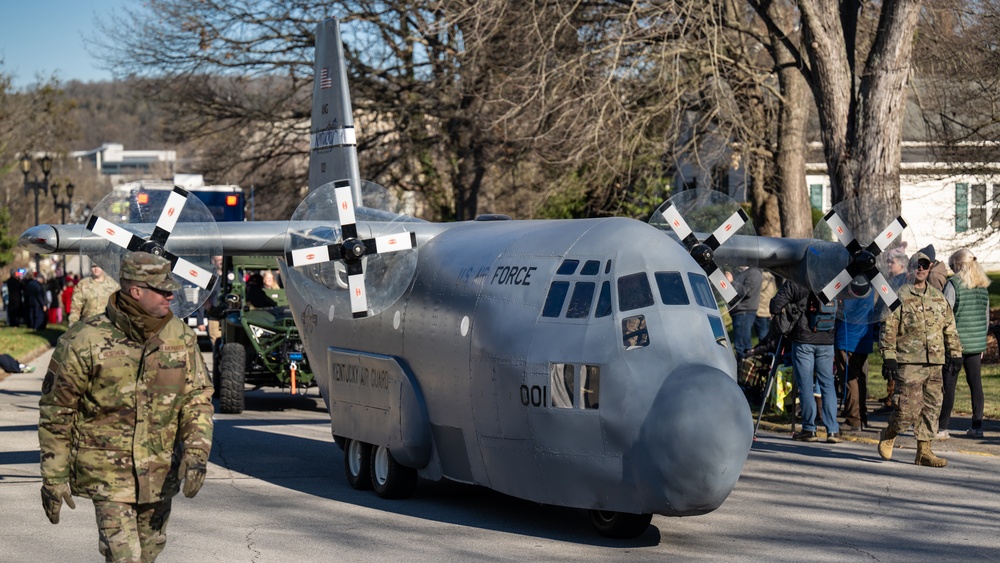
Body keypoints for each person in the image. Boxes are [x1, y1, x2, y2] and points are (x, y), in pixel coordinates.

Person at [38, 251, 214, 561]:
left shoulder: (181, 338)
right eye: (162, 289)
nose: (170, 295)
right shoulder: (84, 340)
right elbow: (57, 411)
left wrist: (196, 453)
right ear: (136, 291)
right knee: (124, 557)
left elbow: (196, 399)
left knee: (149, 552)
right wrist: (54, 476)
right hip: (107, 474)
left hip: (160, 472)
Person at [877, 251, 962, 467]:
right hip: (909, 362)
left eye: (925, 265)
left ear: (930, 266)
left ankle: (924, 451)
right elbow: (888, 327)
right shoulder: (898, 296)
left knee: (932, 407)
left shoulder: (938, 297)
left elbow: (949, 327)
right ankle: (889, 432)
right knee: (907, 408)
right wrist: (888, 356)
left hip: (935, 362)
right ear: (911, 267)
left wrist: (956, 353)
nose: (921, 268)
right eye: (917, 265)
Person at [770, 280, 841, 443]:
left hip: (803, 341)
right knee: (828, 384)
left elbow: (775, 306)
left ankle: (809, 428)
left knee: (806, 385)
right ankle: (833, 430)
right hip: (827, 339)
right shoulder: (832, 279)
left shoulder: (796, 281)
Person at [937, 248, 990, 439]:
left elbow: (945, 312)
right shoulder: (982, 286)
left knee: (949, 384)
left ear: (958, 265)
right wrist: (981, 342)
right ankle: (977, 426)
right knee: (976, 384)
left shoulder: (954, 285)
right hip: (976, 344)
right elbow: (986, 317)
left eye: (952, 265)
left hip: (955, 344)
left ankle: (942, 427)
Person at [835, 286, 876, 431]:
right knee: (860, 378)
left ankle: (853, 418)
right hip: (863, 338)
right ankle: (861, 415)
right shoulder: (869, 287)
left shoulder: (850, 287)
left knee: (850, 378)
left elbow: (841, 308)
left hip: (847, 338)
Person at [730, 266, 763, 359]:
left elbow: (746, 292)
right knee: (740, 345)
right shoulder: (742, 272)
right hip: (739, 312)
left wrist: (731, 281)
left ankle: (745, 369)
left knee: (742, 346)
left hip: (744, 312)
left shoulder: (753, 272)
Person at [755, 271, 777, 345]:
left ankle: (764, 350)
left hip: (761, 310)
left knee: (762, 334)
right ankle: (767, 349)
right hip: (768, 309)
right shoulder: (771, 277)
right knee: (767, 332)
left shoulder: (761, 278)